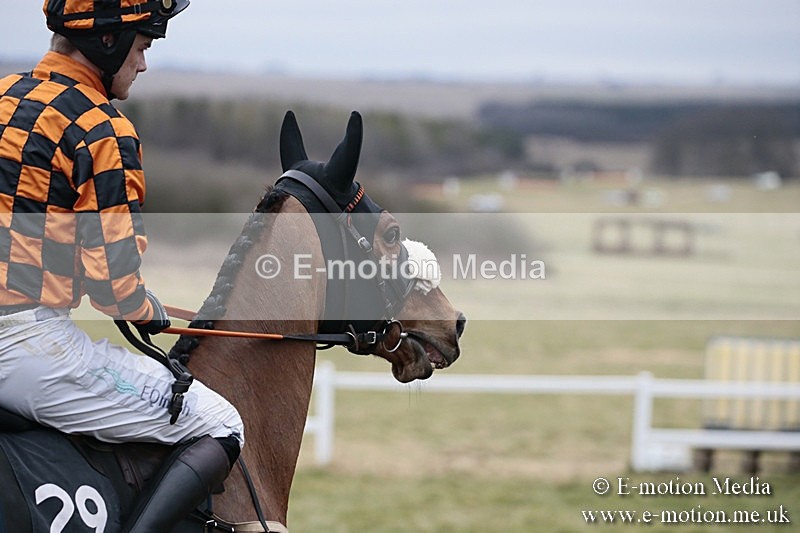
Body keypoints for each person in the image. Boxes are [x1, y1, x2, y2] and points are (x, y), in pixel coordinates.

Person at [0, 1, 243, 530]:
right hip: (25, 347)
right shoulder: (102, 127)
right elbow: (113, 288)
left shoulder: (2, 95)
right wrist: (143, 305)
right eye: (143, 46)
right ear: (108, 42)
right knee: (222, 422)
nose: (144, 63)